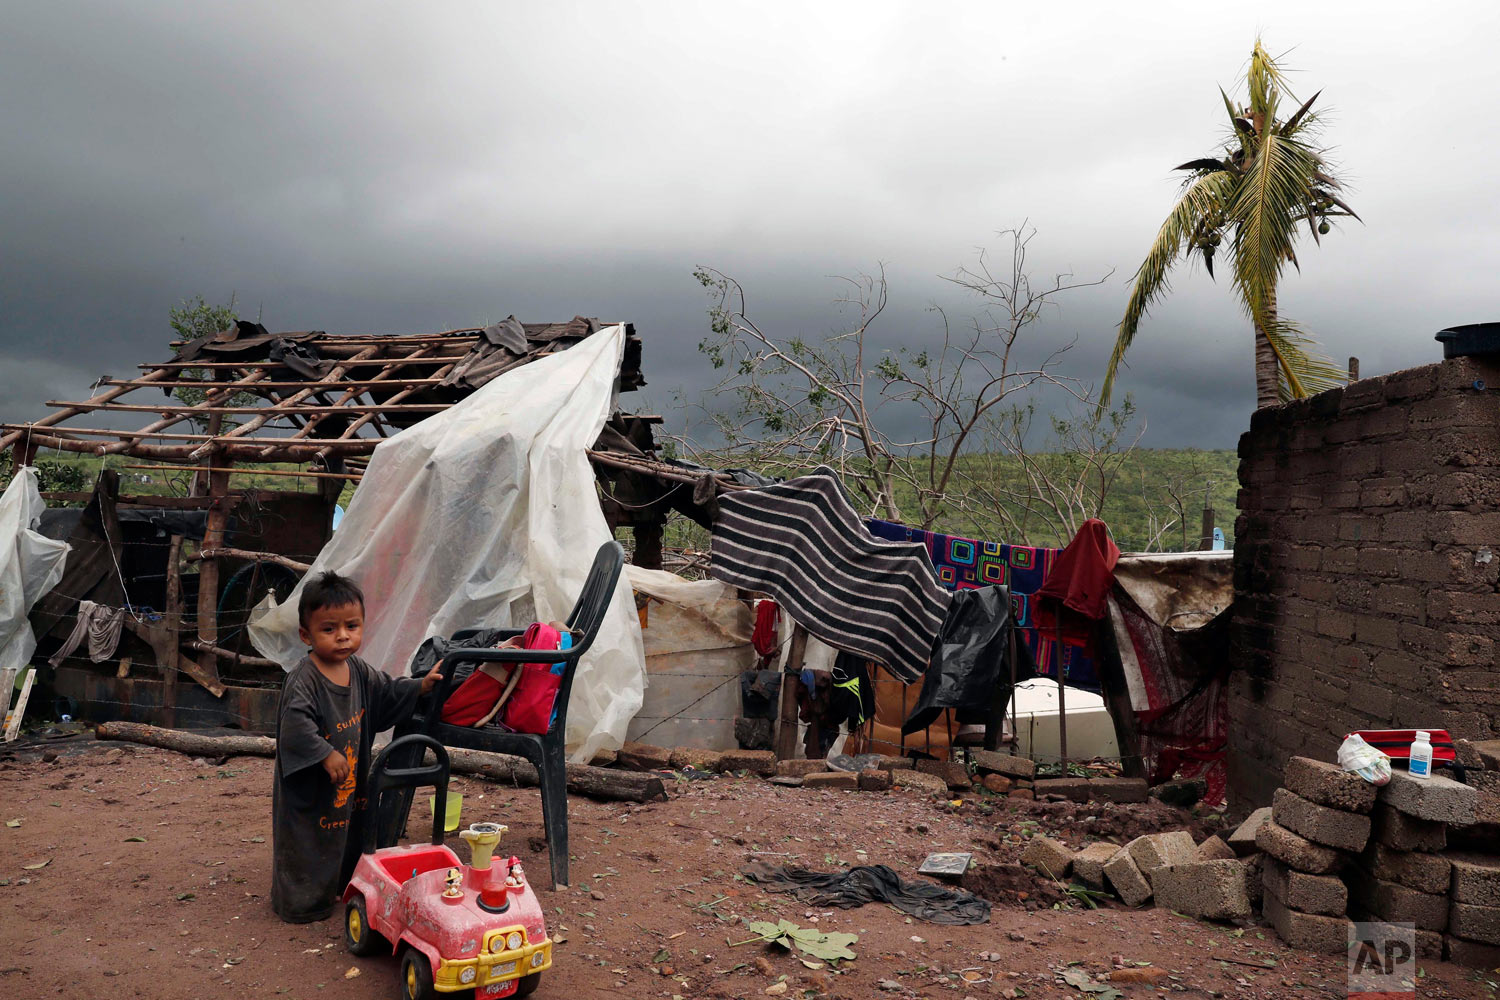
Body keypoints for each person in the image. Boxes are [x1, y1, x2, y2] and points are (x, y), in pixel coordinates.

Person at [270, 571, 443, 923]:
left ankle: (342, 888)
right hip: (312, 790)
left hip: (349, 786)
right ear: (306, 634)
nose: (343, 636)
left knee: (346, 834)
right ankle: (303, 903)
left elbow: (387, 692)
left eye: (352, 626)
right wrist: (324, 753)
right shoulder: (303, 680)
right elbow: (293, 727)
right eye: (329, 629)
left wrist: (420, 686)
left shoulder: (358, 671)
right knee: (308, 842)